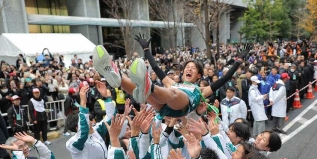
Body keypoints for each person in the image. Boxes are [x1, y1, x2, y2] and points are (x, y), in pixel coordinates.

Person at [92, 35, 251, 118]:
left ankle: (148, 86)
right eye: (186, 67)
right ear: (182, 72)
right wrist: (146, 49)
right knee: (143, 90)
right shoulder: (171, 81)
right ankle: (114, 74)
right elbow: (155, 66)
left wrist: (238, 61)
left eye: (193, 68)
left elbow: (224, 78)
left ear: (199, 75)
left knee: (171, 91)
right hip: (162, 105)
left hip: (180, 105)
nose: (189, 69)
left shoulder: (202, 89)